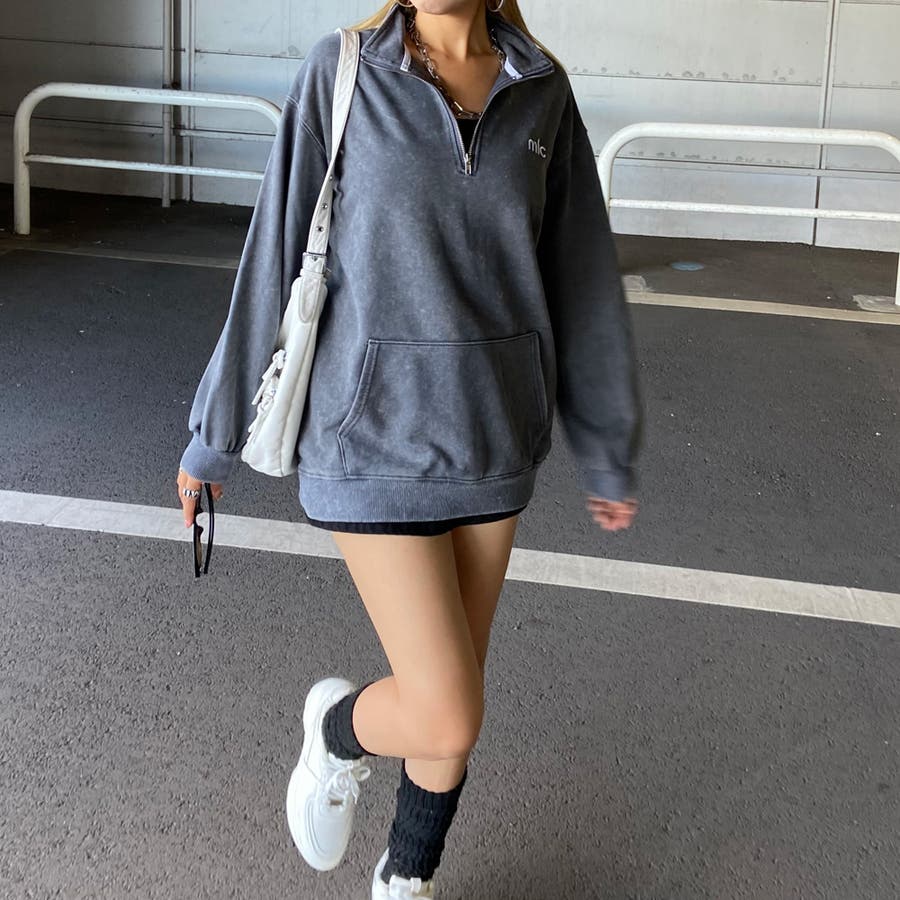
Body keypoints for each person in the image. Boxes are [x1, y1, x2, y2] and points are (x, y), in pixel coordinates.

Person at [175, 0, 642, 896]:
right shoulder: (345, 70)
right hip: (368, 438)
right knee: (448, 710)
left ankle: (407, 877)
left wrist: (607, 441)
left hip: (492, 438)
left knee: (450, 703)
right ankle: (335, 732)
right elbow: (272, 253)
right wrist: (213, 437)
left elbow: (580, 274)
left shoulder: (541, 89)